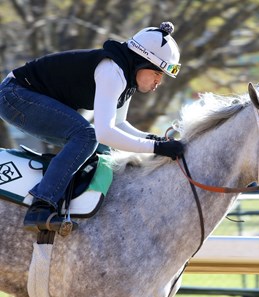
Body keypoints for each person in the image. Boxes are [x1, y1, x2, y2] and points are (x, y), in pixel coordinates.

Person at [0, 21, 184, 233]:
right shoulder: (112, 71)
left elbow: (120, 125)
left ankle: (58, 200)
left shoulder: (125, 76)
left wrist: (155, 140)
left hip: (20, 96)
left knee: (95, 145)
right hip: (14, 95)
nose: (158, 82)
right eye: (157, 74)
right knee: (86, 137)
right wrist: (157, 149)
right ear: (142, 62)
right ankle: (41, 206)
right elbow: (104, 132)